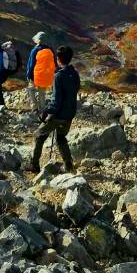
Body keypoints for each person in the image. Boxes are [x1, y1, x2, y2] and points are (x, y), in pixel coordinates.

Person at [30, 45, 79, 173]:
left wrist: (46, 110)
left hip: (59, 114)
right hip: (70, 112)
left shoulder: (58, 76)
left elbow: (56, 102)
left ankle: (34, 166)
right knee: (61, 138)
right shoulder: (74, 73)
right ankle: (69, 166)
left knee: (39, 135)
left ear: (58, 59)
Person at [26, 32, 56, 117]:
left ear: (38, 40)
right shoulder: (50, 50)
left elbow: (31, 64)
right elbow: (53, 63)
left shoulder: (35, 50)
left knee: (31, 90)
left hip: (35, 75)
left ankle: (34, 108)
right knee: (42, 93)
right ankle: (43, 110)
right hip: (45, 76)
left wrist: (29, 75)